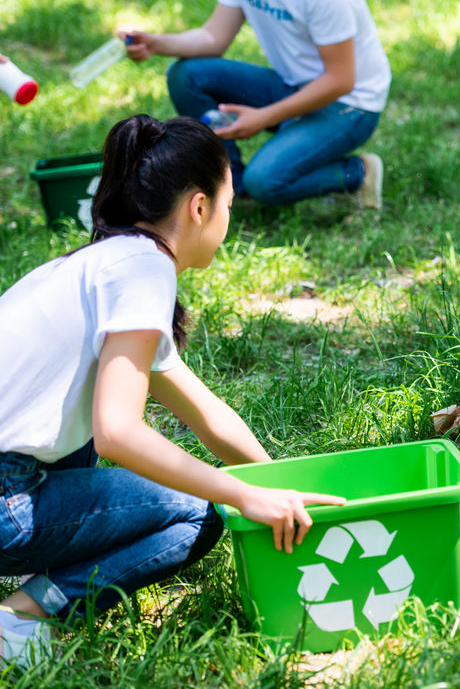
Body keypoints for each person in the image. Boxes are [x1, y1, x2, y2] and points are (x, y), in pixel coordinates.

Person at [0, 115, 345, 668]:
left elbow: (207, 415)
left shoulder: (109, 262)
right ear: (200, 207)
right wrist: (240, 495)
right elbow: (118, 433)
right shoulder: (143, 271)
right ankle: (18, 620)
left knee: (99, 443)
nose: (228, 218)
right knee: (200, 513)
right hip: (6, 499)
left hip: (11, 481)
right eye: (230, 204)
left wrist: (282, 487)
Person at [124, 0, 390, 210]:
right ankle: (233, 190)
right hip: (293, 85)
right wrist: (156, 43)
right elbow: (214, 37)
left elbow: (341, 80)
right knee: (186, 75)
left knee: (265, 180)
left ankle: (359, 172)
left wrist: (263, 117)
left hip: (350, 104)